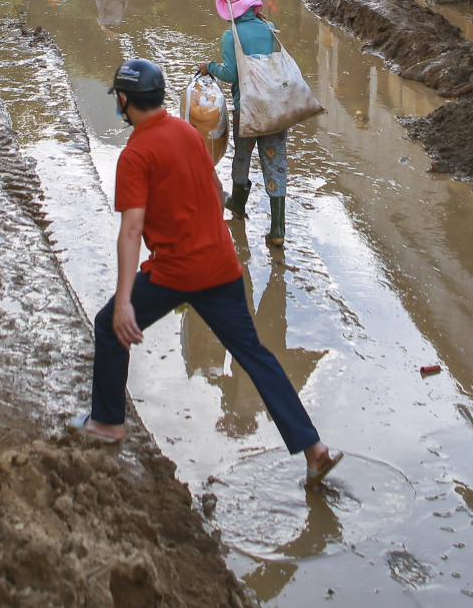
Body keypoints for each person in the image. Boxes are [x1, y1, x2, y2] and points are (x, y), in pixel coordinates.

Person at [71, 59, 343, 485]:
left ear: (124, 101)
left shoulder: (135, 154)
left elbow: (131, 231)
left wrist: (125, 299)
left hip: (175, 271)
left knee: (109, 326)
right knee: (254, 354)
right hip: (221, 266)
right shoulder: (188, 133)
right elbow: (216, 196)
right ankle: (314, 448)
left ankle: (108, 423)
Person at [203, 0, 292, 245]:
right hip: (277, 108)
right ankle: (278, 229)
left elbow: (231, 75)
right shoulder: (269, 28)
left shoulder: (231, 36)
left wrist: (209, 67)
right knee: (275, 162)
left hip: (249, 110)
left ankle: (238, 206)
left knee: (242, 157)